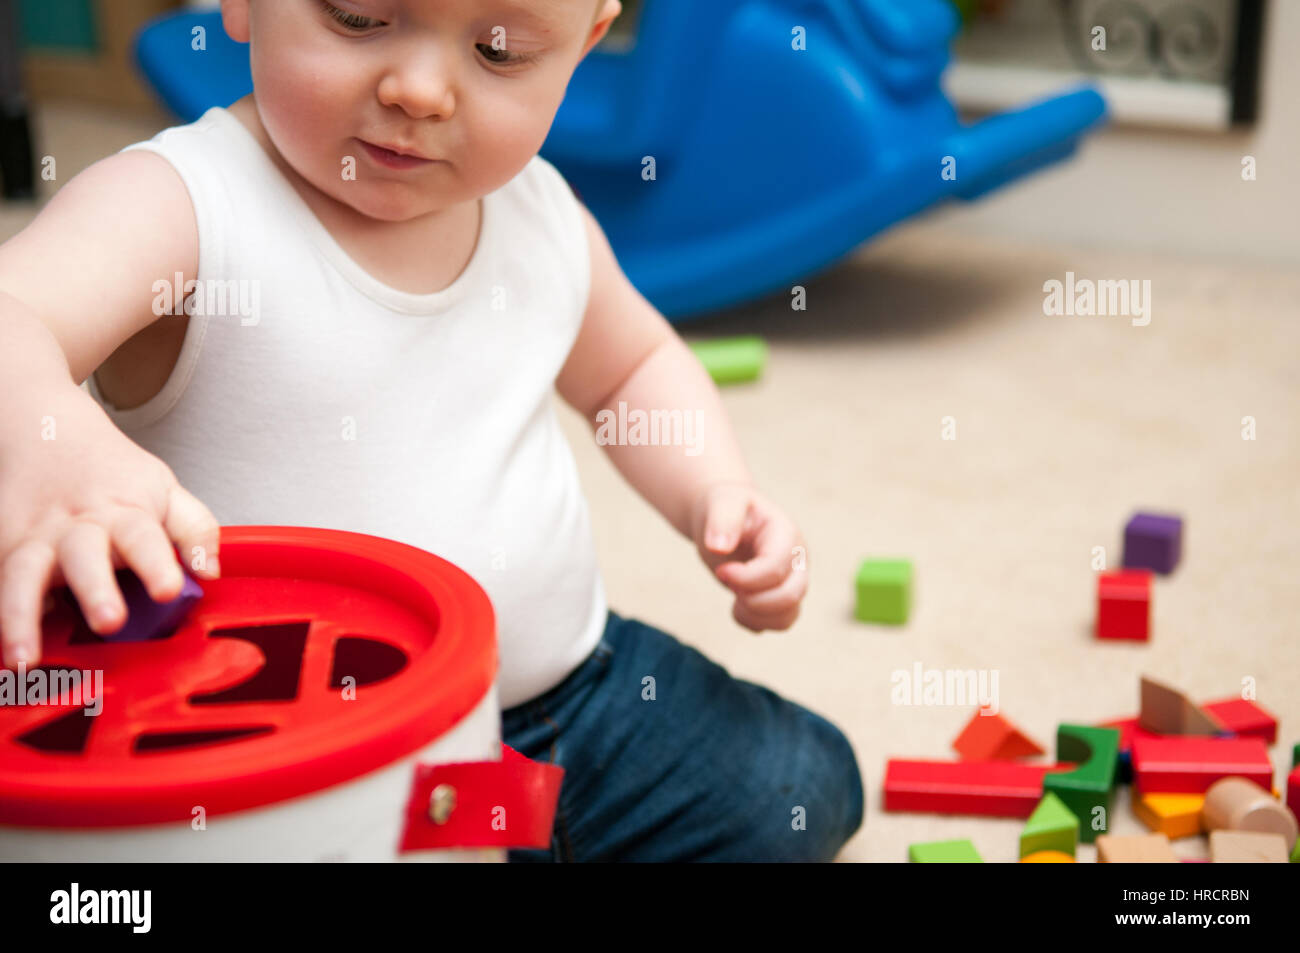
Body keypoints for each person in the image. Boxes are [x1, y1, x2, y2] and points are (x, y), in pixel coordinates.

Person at [0, 0, 863, 861]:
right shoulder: (181, 204)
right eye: (360, 18)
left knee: (804, 780)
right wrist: (62, 452)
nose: (419, 91)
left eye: (500, 50)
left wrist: (718, 490)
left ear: (585, 45)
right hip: (292, 758)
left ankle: (521, 825)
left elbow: (631, 368)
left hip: (566, 697)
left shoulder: (542, 210)